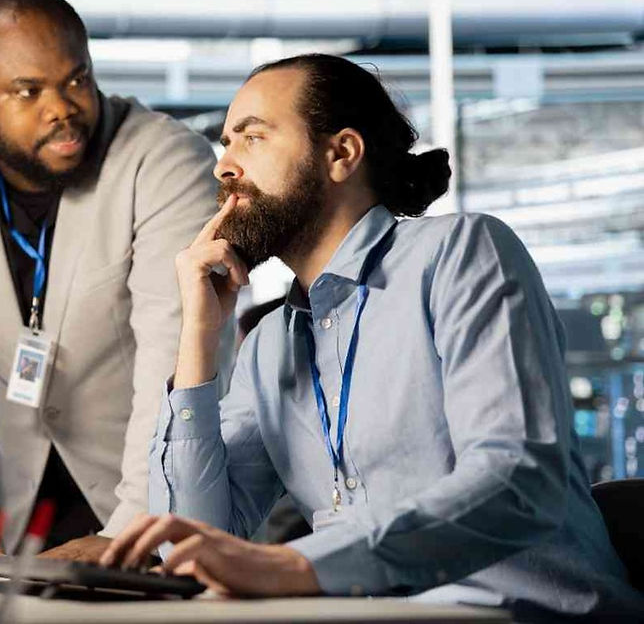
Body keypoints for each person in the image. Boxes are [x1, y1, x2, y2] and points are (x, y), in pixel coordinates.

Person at [100, 54, 644, 620]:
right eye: (226, 142)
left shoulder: (460, 254)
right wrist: (198, 338)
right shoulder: (271, 347)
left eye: (252, 138)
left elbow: (518, 479)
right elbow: (190, 543)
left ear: (340, 155)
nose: (224, 167)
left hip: (525, 614)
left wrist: (302, 568)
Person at [0, 0, 219, 560]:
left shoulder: (165, 161)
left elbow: (174, 362)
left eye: (76, 79)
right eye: (27, 90)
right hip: (14, 524)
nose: (61, 106)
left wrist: (130, 531)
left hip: (152, 514)